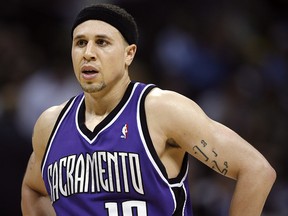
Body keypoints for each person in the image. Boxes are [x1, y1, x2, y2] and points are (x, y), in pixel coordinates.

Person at [21, 3, 276, 216]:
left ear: (129, 54)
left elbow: (256, 171)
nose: (88, 53)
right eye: (80, 43)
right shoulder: (50, 124)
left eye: (102, 42)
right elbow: (33, 190)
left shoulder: (161, 110)